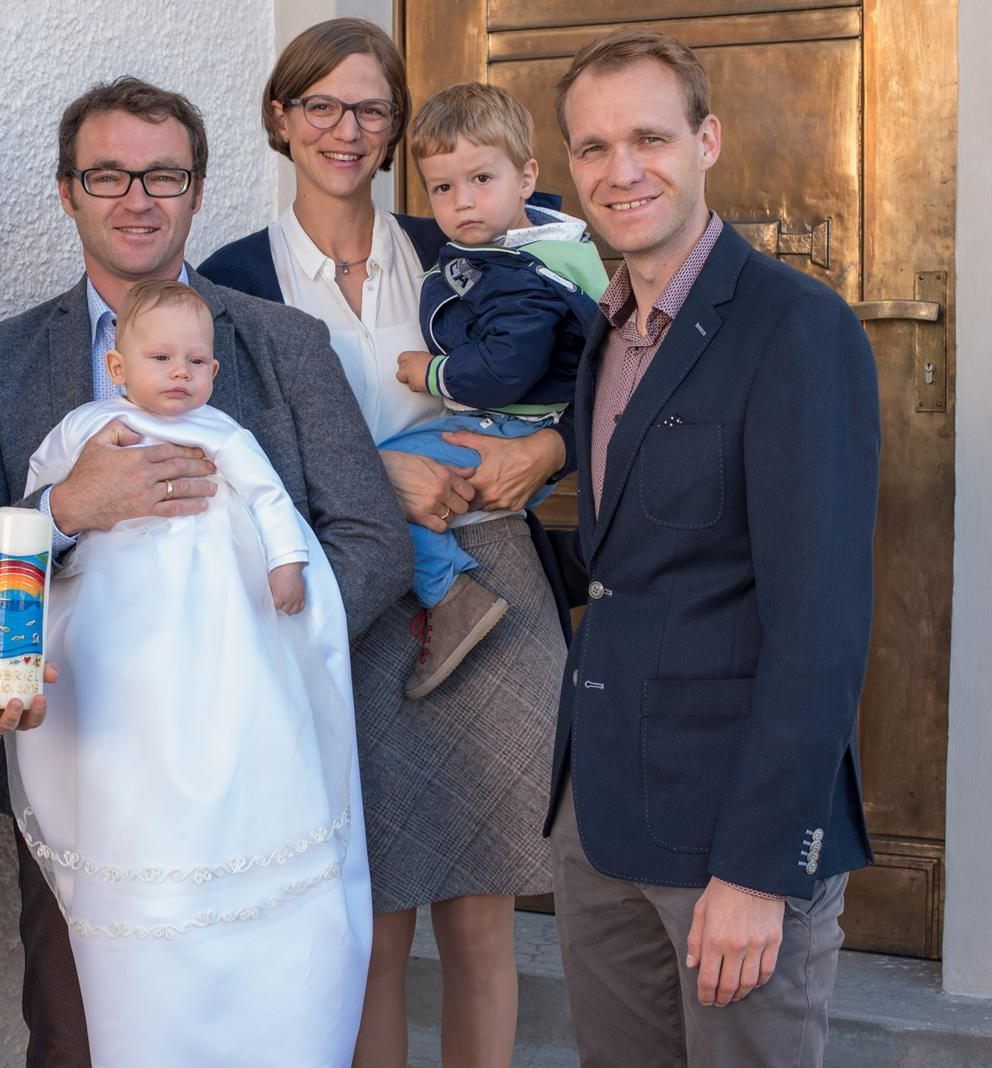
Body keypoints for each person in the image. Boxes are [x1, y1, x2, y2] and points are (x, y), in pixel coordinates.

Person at [0, 77, 408, 1066]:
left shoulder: (279, 343)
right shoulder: (0, 361)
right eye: (106, 174)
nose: (137, 198)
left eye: (164, 174)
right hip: (88, 771)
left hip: (258, 779)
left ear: (197, 192)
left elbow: (370, 536)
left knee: (269, 1029)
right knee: (85, 1039)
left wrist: (258, 670)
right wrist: (69, 510)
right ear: (66, 192)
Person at [200, 19, 570, 1067]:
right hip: (342, 595)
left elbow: (586, 363)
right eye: (319, 104)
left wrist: (549, 448)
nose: (344, 129)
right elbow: (225, 451)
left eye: (369, 108)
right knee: (366, 916)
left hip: (489, 591)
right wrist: (373, 474)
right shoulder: (232, 279)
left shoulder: (460, 240)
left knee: (482, 909)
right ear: (279, 118)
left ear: (398, 128)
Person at [544, 28, 880, 1067]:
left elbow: (818, 623)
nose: (620, 170)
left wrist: (758, 868)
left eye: (648, 138)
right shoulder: (604, 329)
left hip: (728, 837)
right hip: (598, 822)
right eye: (592, 148)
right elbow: (633, 562)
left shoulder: (795, 328)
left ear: (706, 141)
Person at [6, 279, 368, 1065]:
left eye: (196, 361)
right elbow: (28, 510)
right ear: (117, 364)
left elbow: (273, 500)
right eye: (161, 357)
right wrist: (63, 505)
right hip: (118, 639)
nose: (180, 373)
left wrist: (286, 562)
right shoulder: (86, 426)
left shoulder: (224, 430)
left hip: (222, 639)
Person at [386, 82, 607, 699]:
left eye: (482, 179)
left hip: (507, 423)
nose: (463, 203)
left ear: (526, 177)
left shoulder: (518, 273)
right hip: (523, 424)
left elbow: (504, 369)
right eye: (443, 188)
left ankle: (448, 594)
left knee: (373, 474)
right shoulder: (542, 246)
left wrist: (427, 373)